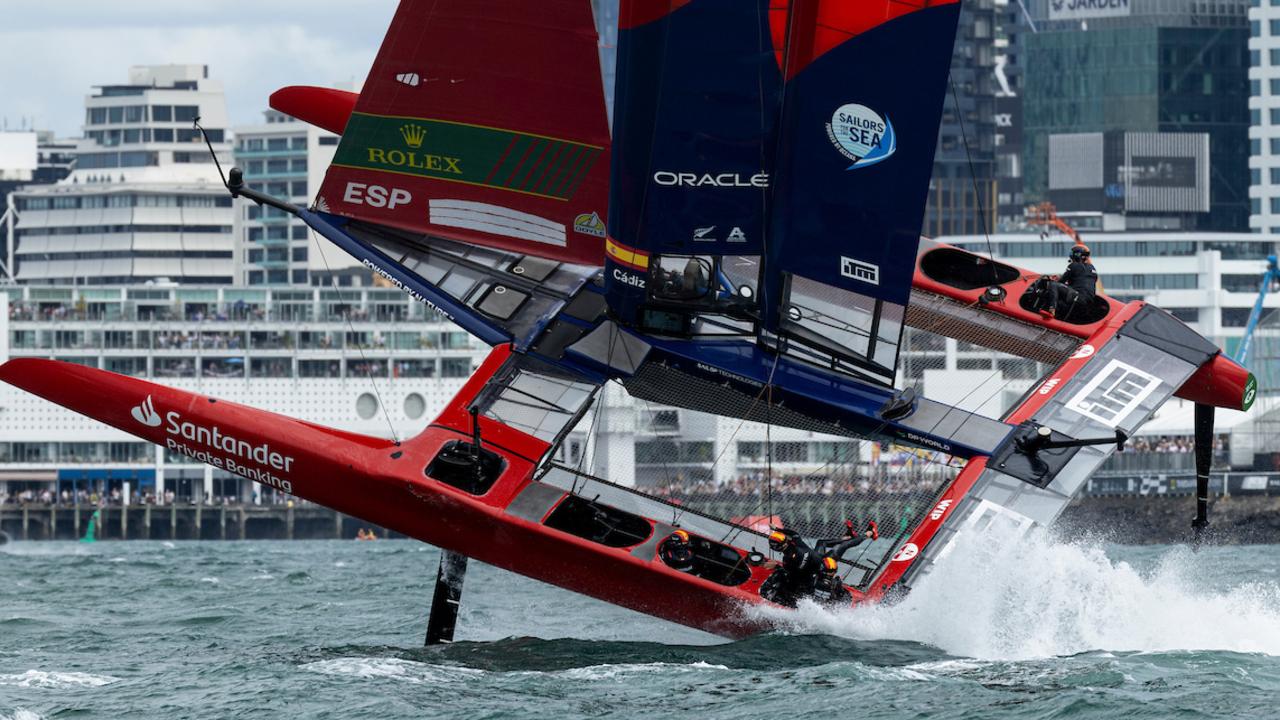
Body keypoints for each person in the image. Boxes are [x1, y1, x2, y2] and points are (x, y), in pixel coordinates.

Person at [760, 522, 876, 607]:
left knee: (843, 546)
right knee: (821, 542)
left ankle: (870, 533)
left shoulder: (789, 559)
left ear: (777, 548)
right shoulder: (795, 542)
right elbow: (794, 533)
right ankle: (849, 536)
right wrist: (778, 529)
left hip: (822, 563)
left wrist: (776, 566)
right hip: (816, 557)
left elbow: (793, 575)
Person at [1039, 244, 1097, 321]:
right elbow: (1082, 281)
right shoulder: (1092, 268)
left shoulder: (1073, 265)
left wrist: (1051, 279)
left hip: (1077, 296)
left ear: (1076, 255)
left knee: (1053, 285)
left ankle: (1051, 310)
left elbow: (1061, 282)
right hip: (1087, 301)